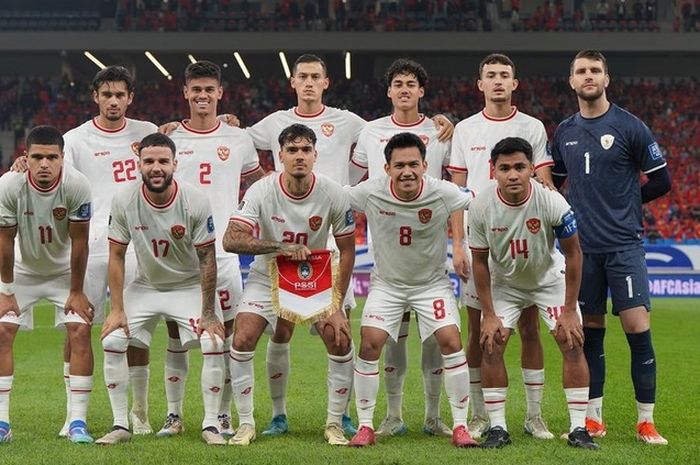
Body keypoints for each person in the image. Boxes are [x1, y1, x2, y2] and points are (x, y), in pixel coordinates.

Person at [245, 53, 452, 437]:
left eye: (315, 77)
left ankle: (343, 415)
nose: (308, 82)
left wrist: (443, 122)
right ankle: (278, 414)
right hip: (286, 243)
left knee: (342, 334)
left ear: (326, 82)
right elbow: (236, 141)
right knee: (282, 330)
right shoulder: (274, 122)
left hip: (332, 242)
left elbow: (388, 142)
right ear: (293, 82)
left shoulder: (355, 123)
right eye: (302, 76)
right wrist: (225, 127)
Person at [551, 49, 671, 445]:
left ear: (607, 78)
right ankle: (594, 418)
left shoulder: (629, 126)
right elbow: (556, 183)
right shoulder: (564, 131)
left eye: (595, 70)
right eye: (581, 71)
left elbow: (661, 180)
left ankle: (645, 421)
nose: (589, 76)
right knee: (592, 334)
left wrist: (628, 203)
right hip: (582, 251)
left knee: (638, 329)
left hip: (624, 246)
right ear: (571, 81)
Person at [223, 123, 355, 446]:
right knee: (242, 338)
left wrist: (337, 305)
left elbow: (348, 249)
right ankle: (248, 423)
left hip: (317, 274)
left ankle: (335, 423)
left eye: (306, 150)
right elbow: (230, 239)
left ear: (315, 156)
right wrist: (278, 248)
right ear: (280, 156)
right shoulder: (262, 191)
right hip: (268, 272)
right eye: (292, 150)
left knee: (340, 339)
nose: (299, 156)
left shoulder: (332, 192)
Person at [345, 132, 477, 448]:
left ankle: (460, 426)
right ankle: (365, 425)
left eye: (413, 164)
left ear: (425, 165)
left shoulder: (443, 192)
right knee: (370, 343)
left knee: (450, 340)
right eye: (400, 165)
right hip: (388, 285)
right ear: (387, 168)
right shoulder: (370, 192)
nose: (407, 171)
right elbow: (331, 197)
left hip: (431, 284)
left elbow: (480, 199)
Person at [447, 53, 555, 440]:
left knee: (529, 328)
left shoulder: (532, 126)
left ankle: (534, 415)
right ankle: (480, 414)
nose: (497, 81)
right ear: (480, 84)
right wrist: (457, 244)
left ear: (515, 83)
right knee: (479, 330)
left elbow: (544, 180)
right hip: (481, 240)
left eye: (503, 75)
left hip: (525, 239)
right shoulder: (465, 129)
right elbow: (458, 193)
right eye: (490, 75)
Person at [347, 57, 455, 438]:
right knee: (392, 333)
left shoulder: (442, 132)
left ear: (421, 91)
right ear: (389, 91)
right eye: (398, 83)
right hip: (387, 247)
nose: (405, 89)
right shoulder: (370, 132)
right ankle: (393, 415)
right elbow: (353, 182)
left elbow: (454, 186)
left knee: (434, 335)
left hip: (429, 244)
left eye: (412, 83)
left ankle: (433, 415)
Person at [97, 133, 226, 445]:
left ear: (174, 165)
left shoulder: (194, 199)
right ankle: (120, 425)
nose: (156, 167)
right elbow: (115, 256)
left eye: (163, 161)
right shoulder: (124, 198)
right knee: (113, 339)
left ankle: (211, 425)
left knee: (212, 342)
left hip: (187, 286)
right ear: (138, 165)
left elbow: (207, 257)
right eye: (149, 161)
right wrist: (116, 309)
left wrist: (208, 313)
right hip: (146, 285)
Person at [469, 136, 597, 450]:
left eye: (519, 167)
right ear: (493, 170)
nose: (512, 174)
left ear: (531, 169)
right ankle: (498, 428)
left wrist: (569, 309)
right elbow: (479, 262)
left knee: (571, 341)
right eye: (505, 168)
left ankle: (579, 429)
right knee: (490, 343)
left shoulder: (552, 201)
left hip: (548, 282)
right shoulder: (481, 205)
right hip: (506, 285)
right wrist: (487, 314)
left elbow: (574, 255)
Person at [161, 60, 264, 439]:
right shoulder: (171, 139)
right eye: (196, 89)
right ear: (185, 93)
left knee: (230, 333)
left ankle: (222, 415)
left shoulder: (239, 138)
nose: (202, 95)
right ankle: (174, 415)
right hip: (179, 253)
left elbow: (256, 183)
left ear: (220, 93)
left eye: (209, 89)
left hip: (223, 252)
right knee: (177, 335)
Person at [0, 126, 94, 443]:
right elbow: (5, 241)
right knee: (1, 328)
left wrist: (77, 291)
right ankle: (2, 423)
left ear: (62, 158)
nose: (44, 164)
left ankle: (77, 422)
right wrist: (6, 291)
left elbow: (80, 241)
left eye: (51, 157)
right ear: (25, 158)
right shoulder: (9, 185)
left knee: (80, 329)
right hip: (22, 270)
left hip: (64, 271)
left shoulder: (77, 184)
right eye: (37, 157)